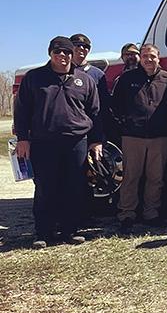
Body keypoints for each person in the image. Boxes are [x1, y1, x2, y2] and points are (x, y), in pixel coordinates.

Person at [14, 36, 103, 248]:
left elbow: (95, 112)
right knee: (45, 187)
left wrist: (96, 141)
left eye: (66, 52)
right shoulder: (34, 78)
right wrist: (23, 139)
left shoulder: (84, 80)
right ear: (50, 53)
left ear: (72, 55)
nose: (62, 56)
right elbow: (22, 111)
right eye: (57, 51)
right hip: (44, 142)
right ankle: (43, 232)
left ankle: (70, 230)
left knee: (74, 186)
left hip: (76, 142)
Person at [110, 43, 167, 235]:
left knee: (156, 177)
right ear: (141, 58)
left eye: (152, 56)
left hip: (159, 136)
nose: (148, 59)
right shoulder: (127, 79)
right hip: (132, 136)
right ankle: (127, 214)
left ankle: (151, 213)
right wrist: (126, 123)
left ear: (158, 58)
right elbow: (115, 106)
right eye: (145, 56)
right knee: (130, 176)